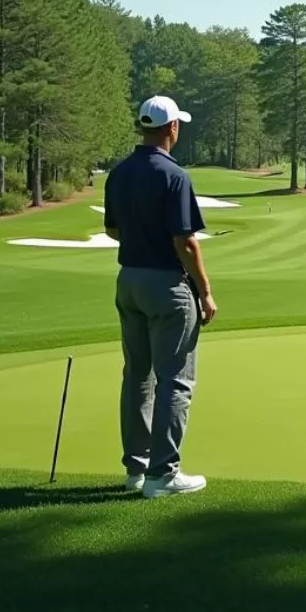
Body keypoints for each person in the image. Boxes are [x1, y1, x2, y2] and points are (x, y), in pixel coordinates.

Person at [104, 95, 218, 499]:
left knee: (137, 376)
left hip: (128, 281)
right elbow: (186, 241)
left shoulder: (118, 173)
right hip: (167, 286)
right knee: (176, 379)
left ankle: (136, 469)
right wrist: (205, 291)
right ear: (172, 128)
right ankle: (163, 474)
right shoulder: (174, 175)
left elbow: (114, 231)